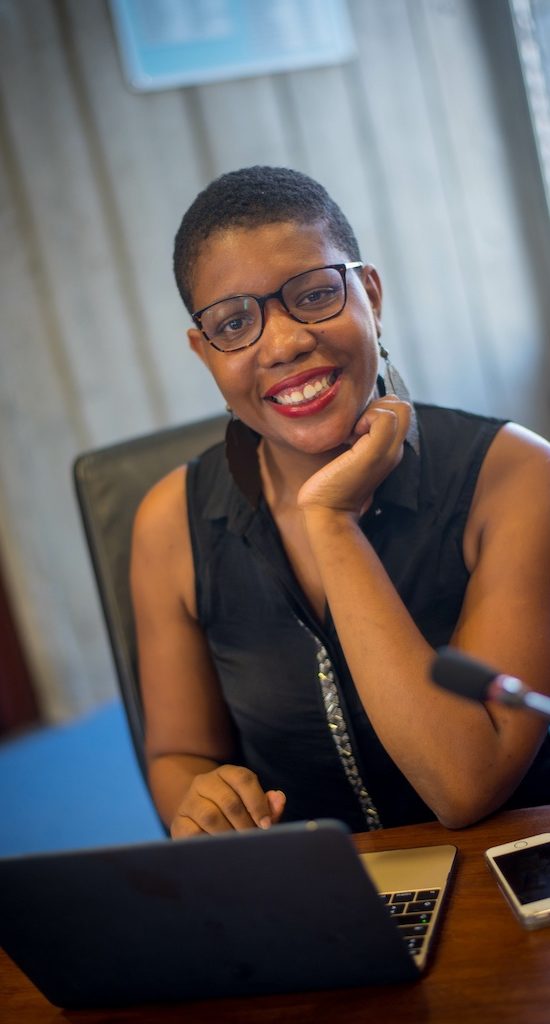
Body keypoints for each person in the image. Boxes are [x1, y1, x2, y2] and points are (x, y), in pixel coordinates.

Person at [130, 165, 550, 839]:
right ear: (205, 353)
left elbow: (465, 785)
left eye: (316, 294)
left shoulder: (518, 476)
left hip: (504, 883)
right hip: (316, 893)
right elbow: (180, 754)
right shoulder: (169, 523)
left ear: (371, 296)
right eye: (234, 323)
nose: (286, 342)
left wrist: (330, 521)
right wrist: (202, 802)